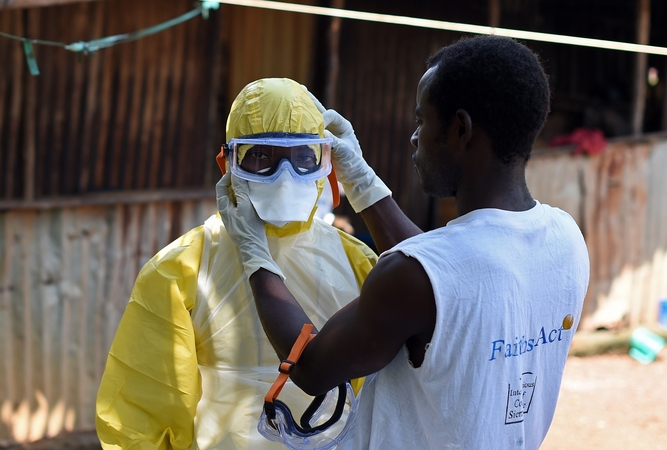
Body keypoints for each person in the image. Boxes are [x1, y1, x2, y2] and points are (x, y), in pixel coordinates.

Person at [217, 35, 590, 449]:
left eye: (422, 121)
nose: (414, 138)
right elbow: (449, 278)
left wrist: (255, 253)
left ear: (460, 130)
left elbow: (308, 367)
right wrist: (362, 182)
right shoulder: (566, 239)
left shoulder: (414, 278)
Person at [95, 78, 387, 449]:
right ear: (229, 163)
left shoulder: (359, 261)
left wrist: (364, 184)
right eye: (261, 157)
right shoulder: (180, 270)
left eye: (302, 157)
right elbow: (141, 413)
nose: (285, 177)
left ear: (326, 161)